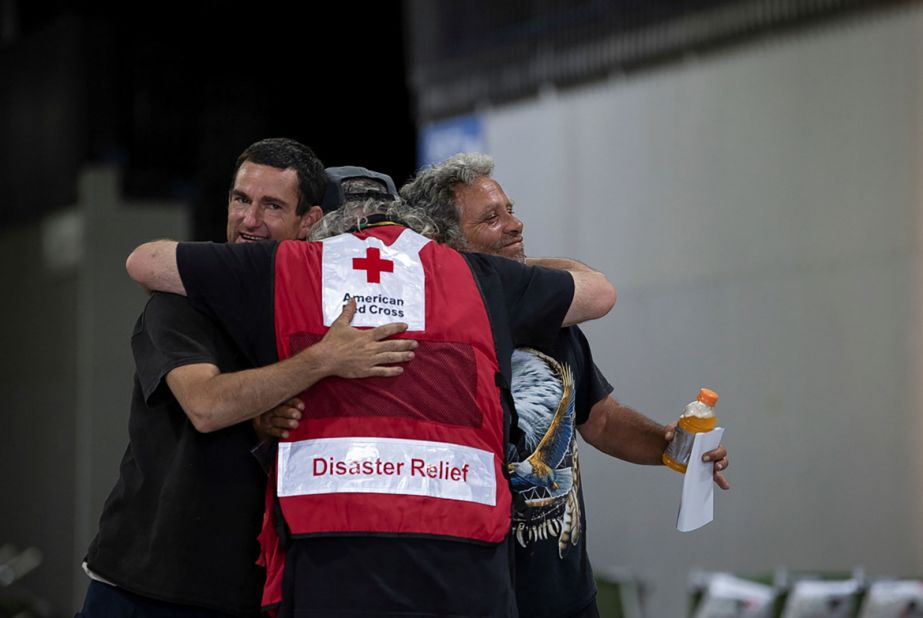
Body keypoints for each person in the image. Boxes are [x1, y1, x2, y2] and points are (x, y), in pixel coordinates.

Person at [124, 192, 616, 617]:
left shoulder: (288, 265)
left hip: (332, 550)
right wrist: (507, 270)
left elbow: (145, 262)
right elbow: (599, 293)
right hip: (464, 556)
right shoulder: (480, 276)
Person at [79, 138, 416, 618]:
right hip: (148, 588)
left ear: (310, 221)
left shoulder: (332, 315)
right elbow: (207, 406)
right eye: (241, 200)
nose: (249, 220)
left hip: (259, 589)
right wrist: (320, 361)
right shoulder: (181, 299)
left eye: (271, 206)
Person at [400, 152, 729, 618]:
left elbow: (602, 421)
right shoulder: (428, 335)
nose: (515, 224)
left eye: (510, 209)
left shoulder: (551, 320)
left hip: (564, 597)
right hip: (471, 595)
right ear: (445, 242)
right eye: (492, 218)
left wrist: (670, 445)